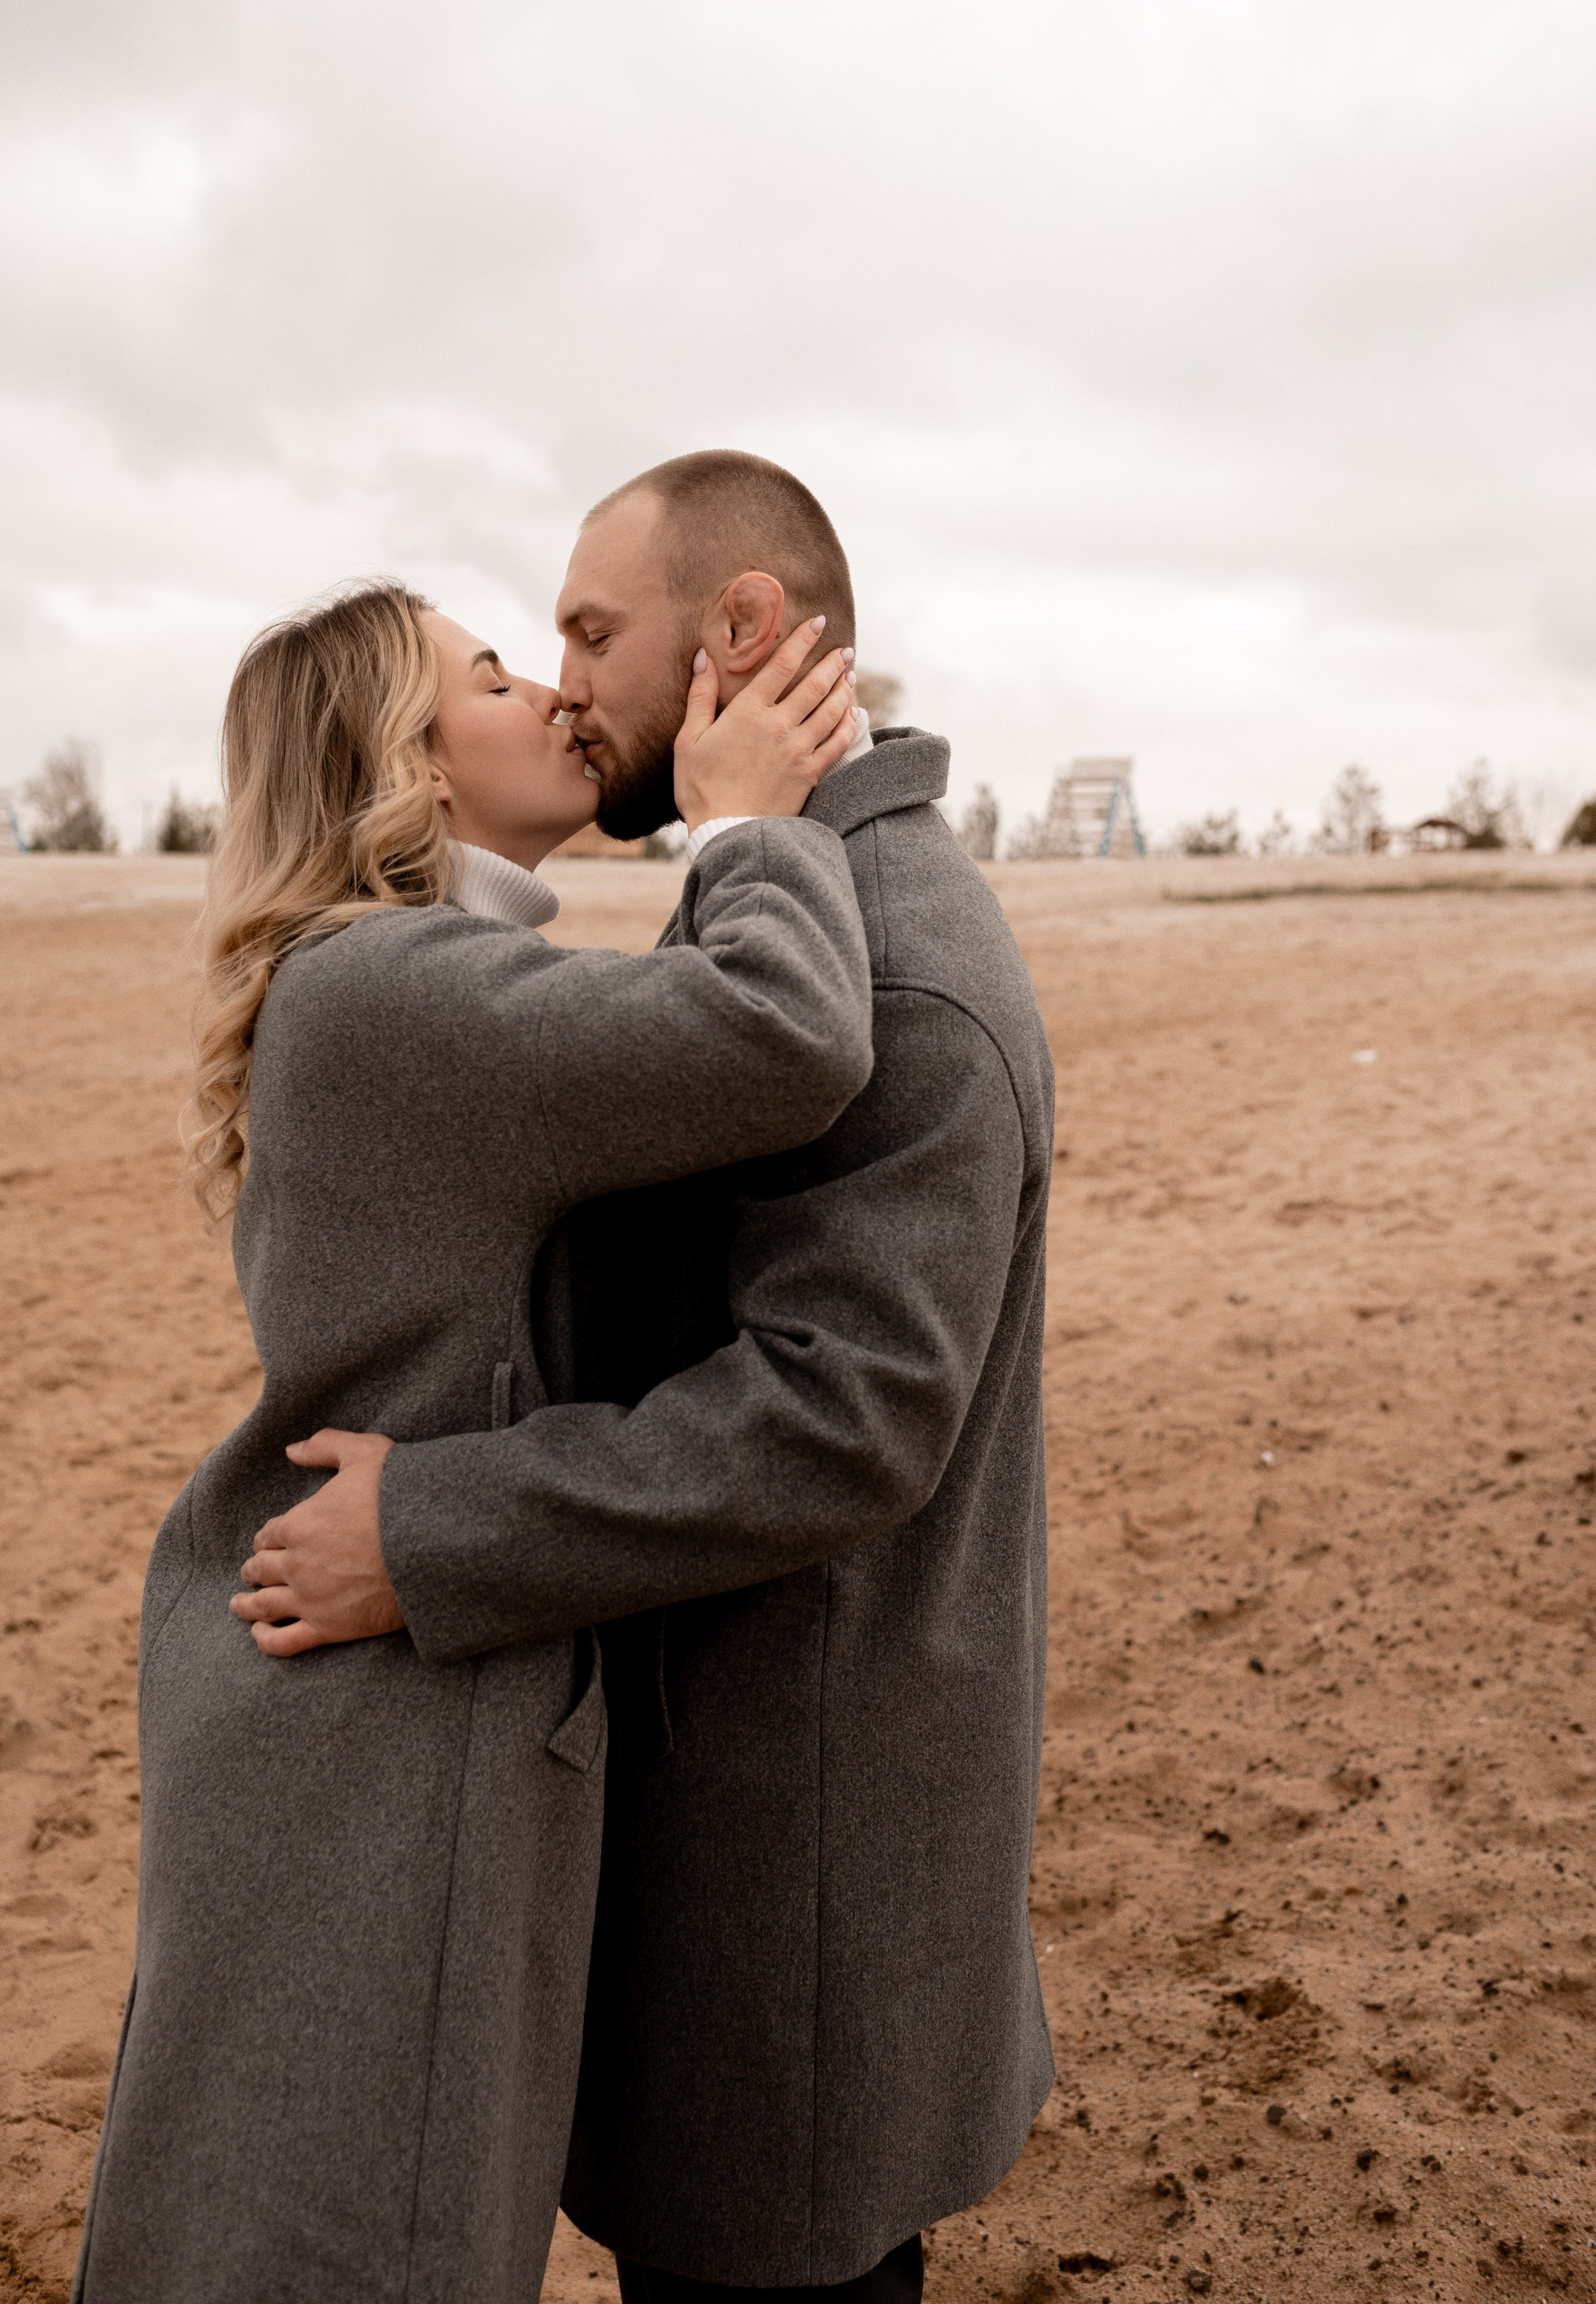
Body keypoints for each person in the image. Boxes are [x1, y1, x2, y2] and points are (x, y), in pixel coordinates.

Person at [244, 453, 1058, 2304]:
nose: (570, 678)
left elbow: (842, 1421)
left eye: (594, 632)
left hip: (796, 1877)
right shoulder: (804, 904)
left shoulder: (903, 980)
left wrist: (434, 1526)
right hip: (731, 1818)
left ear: (743, 633)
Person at [71, 577, 872, 2304]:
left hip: (367, 1697)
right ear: (408, 765)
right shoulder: (391, 991)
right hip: (376, 1741)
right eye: (497, 675)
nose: (557, 698)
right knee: (353, 2238)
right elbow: (788, 1037)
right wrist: (744, 827)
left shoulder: (412, 979)